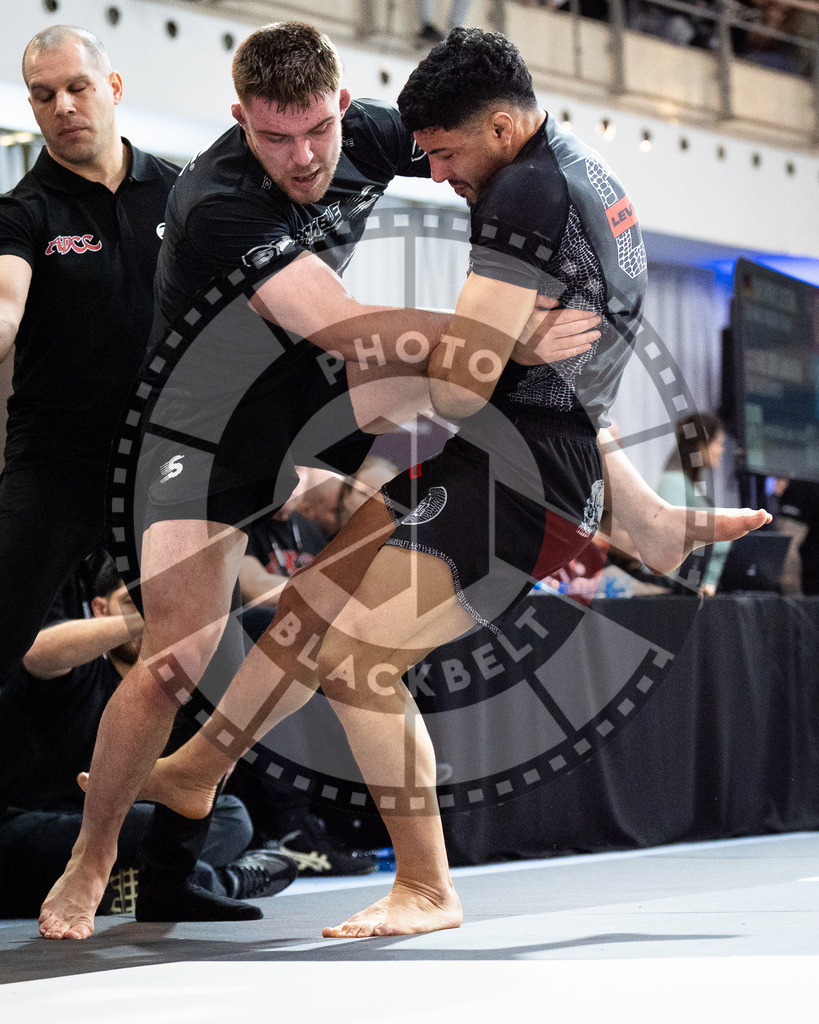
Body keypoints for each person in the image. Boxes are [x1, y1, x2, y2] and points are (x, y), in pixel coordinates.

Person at [40, 23, 769, 940]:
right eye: (275, 139)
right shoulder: (216, 200)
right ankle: (95, 852)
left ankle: (401, 869)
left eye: (316, 132)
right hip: (207, 426)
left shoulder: (430, 149)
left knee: (341, 639)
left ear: (343, 107)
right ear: (239, 123)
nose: (303, 159)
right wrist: (504, 337)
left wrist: (498, 331)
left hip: (346, 398)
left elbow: (491, 258)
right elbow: (345, 323)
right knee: (179, 661)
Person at [0, 26, 178, 685]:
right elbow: (5, 306)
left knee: (200, 649)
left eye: (77, 87)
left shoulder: (183, 195)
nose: (63, 106)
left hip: (163, 466)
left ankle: (174, 785)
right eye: (43, 95)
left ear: (113, 88)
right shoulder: (23, 212)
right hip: (58, 466)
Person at [0, 556, 297, 919]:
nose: (150, 621)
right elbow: (40, 653)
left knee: (232, 817)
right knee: (139, 824)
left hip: (120, 823)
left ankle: (121, 885)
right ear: (99, 607)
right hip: (30, 823)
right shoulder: (79, 666)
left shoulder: (176, 691)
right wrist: (163, 617)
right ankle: (224, 880)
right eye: (132, 601)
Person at [655, 412, 729, 595]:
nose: (722, 450)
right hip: (679, 594)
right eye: (719, 443)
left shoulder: (691, 485)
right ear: (701, 446)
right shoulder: (674, 481)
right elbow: (672, 541)